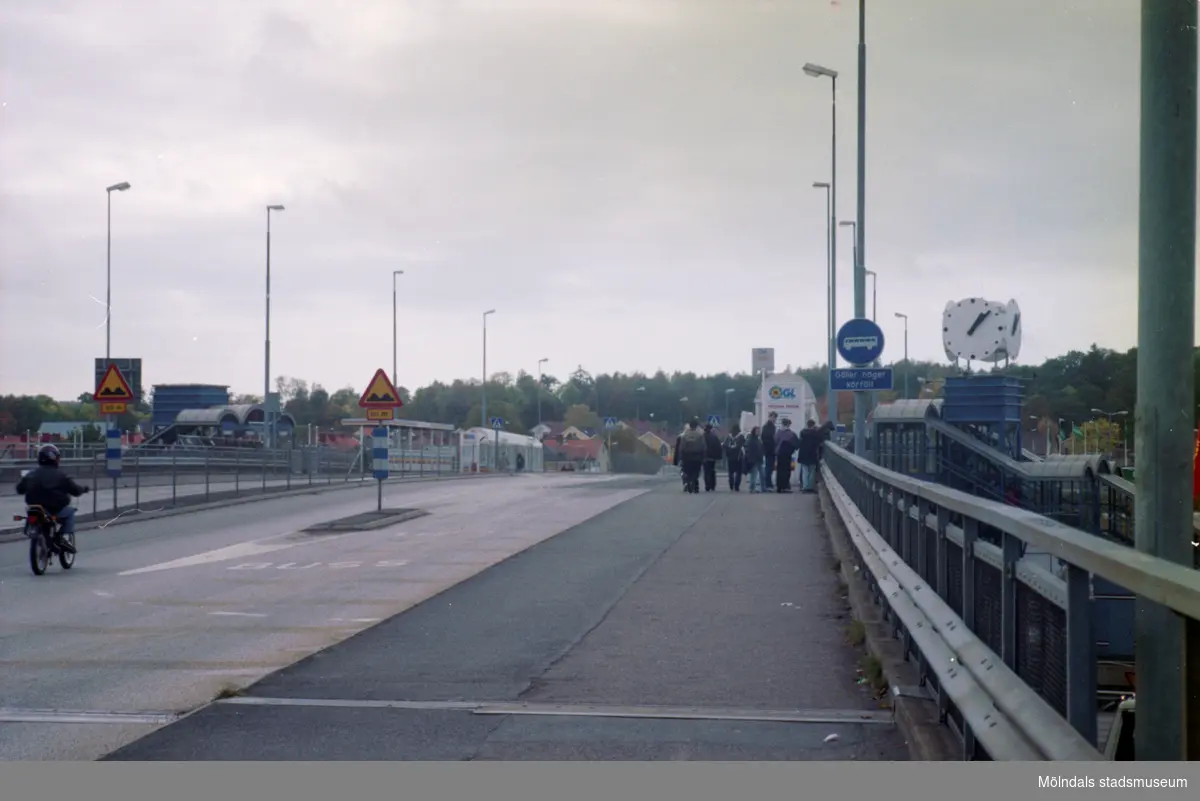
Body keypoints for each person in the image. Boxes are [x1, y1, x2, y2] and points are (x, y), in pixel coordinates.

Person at [15, 444, 88, 553]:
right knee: (70, 513)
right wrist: (83, 489)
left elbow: (20, 489)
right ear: (55, 458)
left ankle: (35, 530)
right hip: (54, 510)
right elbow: (75, 490)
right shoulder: (60, 475)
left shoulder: (30, 474)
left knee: (31, 517)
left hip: (34, 508)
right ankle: (61, 538)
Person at [678, 418, 706, 494]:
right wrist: (703, 457)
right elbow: (703, 446)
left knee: (687, 471)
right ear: (696, 426)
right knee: (696, 471)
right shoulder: (700, 435)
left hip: (687, 456)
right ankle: (695, 484)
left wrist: (681, 457)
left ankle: (688, 481)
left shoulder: (684, 435)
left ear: (690, 425)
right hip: (697, 456)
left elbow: (682, 447)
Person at [796, 419, 822, 493]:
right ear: (813, 425)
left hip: (803, 454)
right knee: (812, 471)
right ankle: (810, 487)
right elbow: (819, 442)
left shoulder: (802, 432)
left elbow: (800, 442)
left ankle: (805, 486)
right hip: (812, 454)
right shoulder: (816, 433)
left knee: (805, 471)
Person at [774, 418, 798, 493]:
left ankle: (779, 486)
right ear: (788, 424)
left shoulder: (778, 432)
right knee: (787, 470)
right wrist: (793, 450)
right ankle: (785, 486)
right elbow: (796, 443)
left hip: (779, 454)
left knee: (779, 470)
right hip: (787, 454)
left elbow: (774, 441)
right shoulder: (791, 434)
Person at [723, 424, 746, 492]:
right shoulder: (741, 437)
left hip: (730, 457)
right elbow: (744, 445)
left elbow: (724, 445)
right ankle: (736, 486)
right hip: (738, 457)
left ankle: (731, 483)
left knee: (730, 472)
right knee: (738, 472)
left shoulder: (728, 437)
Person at [702, 422, 722, 492]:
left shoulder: (702, 437)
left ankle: (707, 485)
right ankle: (713, 485)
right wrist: (718, 457)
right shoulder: (714, 437)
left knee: (706, 471)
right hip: (712, 458)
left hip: (704, 457)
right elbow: (718, 447)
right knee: (712, 471)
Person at [744, 426, 765, 493]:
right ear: (754, 431)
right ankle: (752, 488)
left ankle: (763, 488)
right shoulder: (751, 439)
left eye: (759, 431)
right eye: (757, 431)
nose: (759, 432)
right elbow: (750, 450)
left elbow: (760, 449)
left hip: (759, 459)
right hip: (754, 460)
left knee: (762, 475)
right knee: (754, 475)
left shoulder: (758, 439)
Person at [761, 412, 778, 491]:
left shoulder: (772, 427)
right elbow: (766, 438)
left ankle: (769, 483)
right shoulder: (767, 427)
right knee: (768, 467)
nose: (774, 419)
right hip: (769, 450)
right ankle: (767, 484)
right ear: (770, 417)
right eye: (773, 417)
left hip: (771, 450)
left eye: (775, 418)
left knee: (770, 468)